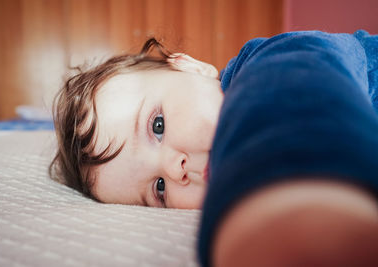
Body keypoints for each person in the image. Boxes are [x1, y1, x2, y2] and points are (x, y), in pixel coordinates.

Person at [50, 30, 378, 266]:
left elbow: (293, 89)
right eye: (159, 189)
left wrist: (283, 202)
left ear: (191, 67)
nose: (173, 168)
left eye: (157, 126)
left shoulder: (268, 62)